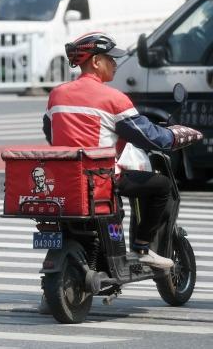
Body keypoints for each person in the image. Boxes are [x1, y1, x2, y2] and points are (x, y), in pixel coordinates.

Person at [43, 31, 202, 269]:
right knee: (162, 187)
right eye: (111, 58)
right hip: (100, 179)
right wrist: (178, 134)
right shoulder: (113, 99)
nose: (115, 64)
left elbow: (50, 132)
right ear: (96, 61)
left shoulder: (57, 94)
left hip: (65, 179)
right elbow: (150, 136)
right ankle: (141, 247)